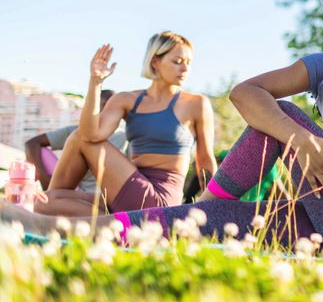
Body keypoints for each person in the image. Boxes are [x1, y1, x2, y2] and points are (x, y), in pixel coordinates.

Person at [1, 0, 323, 248]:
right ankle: (50, 227)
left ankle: (195, 207)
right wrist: (297, 139)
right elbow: (245, 93)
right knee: (221, 214)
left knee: (282, 115)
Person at [31, 32, 216, 217]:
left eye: (188, 62)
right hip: (130, 190)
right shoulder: (127, 99)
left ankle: (118, 223)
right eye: (177, 61)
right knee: (44, 203)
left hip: (161, 199)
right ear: (155, 62)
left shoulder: (196, 103)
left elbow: (205, 161)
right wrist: (95, 81)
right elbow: (91, 135)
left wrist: (214, 210)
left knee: (78, 139)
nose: (185, 68)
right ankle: (118, 224)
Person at [25, 89, 128, 192]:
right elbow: (31, 144)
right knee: (39, 153)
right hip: (74, 191)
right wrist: (44, 176)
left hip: (107, 197)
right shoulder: (75, 131)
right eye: (105, 104)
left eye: (114, 107)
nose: (109, 110)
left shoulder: (125, 138)